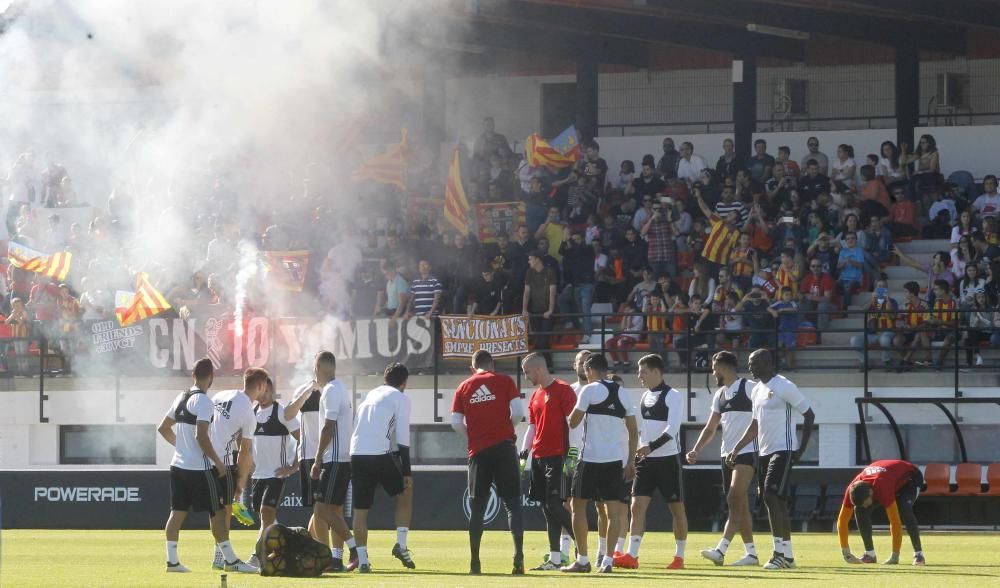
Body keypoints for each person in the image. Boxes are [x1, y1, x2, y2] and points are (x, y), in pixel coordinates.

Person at [727, 349, 815, 570]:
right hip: (764, 452)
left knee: (772, 494)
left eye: (754, 363)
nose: (750, 368)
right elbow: (755, 425)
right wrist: (736, 448)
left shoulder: (784, 385)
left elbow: (809, 414)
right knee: (773, 500)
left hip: (783, 450)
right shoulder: (756, 390)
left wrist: (801, 449)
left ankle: (778, 554)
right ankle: (789, 556)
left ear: (767, 363)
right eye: (748, 363)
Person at [450, 350, 526, 575]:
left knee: (477, 506)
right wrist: (507, 429)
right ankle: (518, 557)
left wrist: (473, 437)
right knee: (512, 504)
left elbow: (455, 422)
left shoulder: (463, 387)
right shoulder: (504, 381)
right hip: (504, 447)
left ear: (473, 368)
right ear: (492, 364)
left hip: (478, 452)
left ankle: (475, 562)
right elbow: (519, 412)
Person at [562, 354, 639, 574]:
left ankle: (583, 560)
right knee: (613, 513)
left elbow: (573, 422)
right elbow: (633, 432)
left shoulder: (588, 390)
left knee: (577, 508)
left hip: (589, 459)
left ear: (588, 370)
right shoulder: (623, 393)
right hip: (614, 461)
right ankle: (607, 561)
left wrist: (570, 413)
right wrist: (630, 461)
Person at [612, 354, 687, 570]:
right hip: (646, 460)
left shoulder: (673, 395)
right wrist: (636, 455)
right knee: (636, 506)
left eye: (643, 371)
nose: (639, 375)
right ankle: (632, 555)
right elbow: (642, 431)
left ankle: (679, 557)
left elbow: (671, 430)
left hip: (667, 460)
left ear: (656, 371)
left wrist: (650, 447)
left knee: (676, 509)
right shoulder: (644, 397)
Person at [158, 358, 233, 573]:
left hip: (177, 466)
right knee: (218, 512)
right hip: (198, 468)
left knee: (177, 513)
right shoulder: (204, 402)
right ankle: (230, 560)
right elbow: (202, 436)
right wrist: (218, 462)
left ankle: (172, 562)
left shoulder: (181, 397)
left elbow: (163, 428)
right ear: (211, 378)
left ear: (193, 375)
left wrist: (180, 446)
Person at [686, 351, 759, 567]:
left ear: (724, 366)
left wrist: (740, 447)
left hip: (748, 451)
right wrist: (696, 449)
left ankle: (721, 549)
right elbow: (710, 428)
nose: (712, 371)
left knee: (734, 497)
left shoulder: (750, 388)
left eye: (714, 367)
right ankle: (751, 554)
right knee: (740, 505)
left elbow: (759, 421)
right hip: (726, 454)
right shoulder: (719, 395)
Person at [349, 363, 414, 574]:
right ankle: (401, 545)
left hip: (356, 454)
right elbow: (403, 439)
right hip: (379, 454)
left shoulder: (370, 395)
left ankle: (363, 559)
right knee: (406, 491)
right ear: (403, 383)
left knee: (360, 511)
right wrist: (407, 472)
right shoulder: (401, 398)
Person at [519, 353, 578, 571]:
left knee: (555, 504)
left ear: (538, 369)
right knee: (546, 507)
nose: (526, 377)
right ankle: (554, 558)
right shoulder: (535, 396)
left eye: (527, 372)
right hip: (539, 457)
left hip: (559, 456)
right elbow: (532, 428)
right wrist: (523, 456)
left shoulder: (564, 391)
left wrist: (572, 457)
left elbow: (574, 426)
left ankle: (582, 551)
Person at [207, 367, 267, 572]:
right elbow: (244, 452)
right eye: (264, 387)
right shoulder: (249, 413)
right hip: (222, 463)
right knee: (223, 510)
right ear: (260, 386)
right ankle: (224, 559)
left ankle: (220, 557)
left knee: (216, 510)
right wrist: (240, 486)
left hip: (202, 458)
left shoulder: (221, 394)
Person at [308, 352, 359, 572]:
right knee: (334, 511)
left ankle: (355, 549)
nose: (314, 372)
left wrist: (318, 458)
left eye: (314, 367)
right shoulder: (341, 388)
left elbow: (328, 427)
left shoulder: (330, 391)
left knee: (321, 511)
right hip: (342, 459)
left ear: (319, 367)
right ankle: (336, 559)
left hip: (335, 460)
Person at [247, 377, 301, 568]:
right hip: (257, 475)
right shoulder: (251, 413)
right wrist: (248, 463)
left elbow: (302, 438)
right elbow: (244, 442)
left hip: (276, 474)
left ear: (272, 391)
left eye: (266, 391)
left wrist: (294, 466)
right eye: (260, 391)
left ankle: (257, 554)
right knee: (265, 517)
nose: (263, 395)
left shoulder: (283, 412)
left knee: (266, 512)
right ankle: (288, 543)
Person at [837, 460, 926, 566]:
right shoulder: (851, 489)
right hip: (889, 479)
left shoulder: (883, 488)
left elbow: (895, 522)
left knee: (904, 508)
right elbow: (842, 520)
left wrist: (895, 556)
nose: (866, 506)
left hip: (910, 478)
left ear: (871, 493)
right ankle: (870, 554)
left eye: (866, 503)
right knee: (859, 510)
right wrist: (846, 553)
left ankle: (918, 554)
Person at [850, 280, 901, 370]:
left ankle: (886, 361)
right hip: (873, 334)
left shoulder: (892, 301)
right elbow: (862, 309)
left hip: (887, 331)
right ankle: (865, 362)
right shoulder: (873, 302)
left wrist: (887, 299)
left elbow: (893, 315)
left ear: (887, 289)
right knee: (854, 340)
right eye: (878, 286)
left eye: (883, 286)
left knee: (884, 339)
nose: (880, 288)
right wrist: (872, 299)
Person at [523, 252, 559, 367]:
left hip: (547, 311)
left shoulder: (550, 272)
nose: (529, 262)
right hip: (534, 310)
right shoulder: (529, 272)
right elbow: (527, 291)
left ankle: (544, 365)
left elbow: (552, 292)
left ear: (537, 259)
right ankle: (548, 365)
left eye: (530, 259)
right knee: (540, 340)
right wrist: (524, 309)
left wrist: (550, 310)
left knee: (542, 341)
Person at [768, 287, 799, 371]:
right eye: (786, 295)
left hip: (791, 330)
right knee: (779, 347)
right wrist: (773, 312)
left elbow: (795, 309)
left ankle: (791, 367)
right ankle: (781, 365)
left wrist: (782, 309)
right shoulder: (779, 303)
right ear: (782, 295)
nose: (788, 296)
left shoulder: (793, 303)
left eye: (790, 295)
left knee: (789, 348)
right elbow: (768, 308)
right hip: (781, 330)